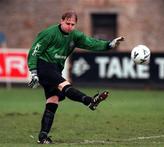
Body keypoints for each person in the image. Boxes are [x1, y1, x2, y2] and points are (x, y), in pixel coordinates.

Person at [27, 11, 124, 144]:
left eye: (73, 24)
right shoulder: (48, 33)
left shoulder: (75, 36)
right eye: (67, 23)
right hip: (44, 66)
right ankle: (90, 101)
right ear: (61, 21)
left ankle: (43, 136)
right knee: (65, 86)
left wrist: (109, 45)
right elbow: (34, 51)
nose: (70, 27)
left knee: (53, 101)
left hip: (56, 69)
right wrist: (33, 71)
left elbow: (91, 43)